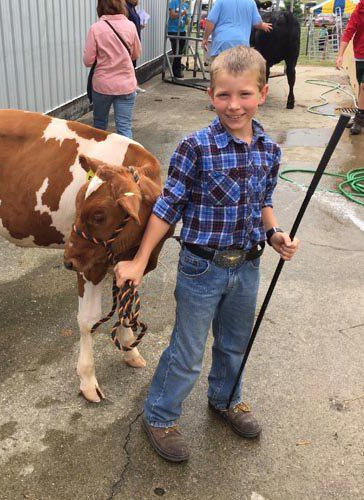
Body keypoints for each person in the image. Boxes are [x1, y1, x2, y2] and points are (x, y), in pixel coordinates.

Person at [114, 46, 300, 463]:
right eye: (224, 95)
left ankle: (225, 398)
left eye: (244, 94)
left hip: (247, 265)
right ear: (210, 95)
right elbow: (167, 208)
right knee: (188, 351)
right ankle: (160, 415)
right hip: (201, 268)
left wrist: (275, 234)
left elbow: (263, 201)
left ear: (263, 93)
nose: (234, 105)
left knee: (234, 343)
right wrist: (139, 260)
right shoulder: (194, 147)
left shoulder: (269, 150)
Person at [84, 0, 141, 139]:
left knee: (99, 125)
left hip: (102, 86)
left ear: (100, 6)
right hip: (126, 85)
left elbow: (88, 61)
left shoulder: (95, 28)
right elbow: (136, 54)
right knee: (124, 127)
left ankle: (98, 152)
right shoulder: (130, 26)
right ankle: (125, 154)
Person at [202, 0, 272, 58]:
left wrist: (205, 38)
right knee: (239, 70)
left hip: (222, 43)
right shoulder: (251, 2)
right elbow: (257, 23)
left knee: (220, 70)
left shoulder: (221, 1)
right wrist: (263, 25)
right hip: (242, 44)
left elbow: (211, 20)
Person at [336, 0, 364, 135]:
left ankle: (359, 119)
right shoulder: (359, 10)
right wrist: (340, 55)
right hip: (360, 55)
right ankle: (361, 115)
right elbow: (348, 32)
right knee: (361, 87)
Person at [125, 0, 146, 93]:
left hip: (135, 39)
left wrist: (140, 25)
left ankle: (134, 85)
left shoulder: (132, 7)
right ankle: (130, 87)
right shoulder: (125, 7)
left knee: (133, 64)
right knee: (129, 65)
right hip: (128, 42)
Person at [167, 0, 190, 78]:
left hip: (182, 30)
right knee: (177, 50)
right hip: (173, 30)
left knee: (180, 51)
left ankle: (178, 67)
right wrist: (182, 13)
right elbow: (172, 15)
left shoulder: (186, 5)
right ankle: (176, 71)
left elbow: (187, 22)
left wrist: (187, 17)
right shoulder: (174, 2)